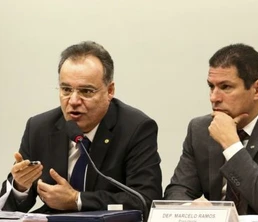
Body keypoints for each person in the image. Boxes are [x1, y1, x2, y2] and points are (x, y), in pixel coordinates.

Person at [0, 41, 162, 220]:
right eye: (66, 89)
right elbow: (8, 208)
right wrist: (20, 186)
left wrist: (77, 199)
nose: (74, 100)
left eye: (86, 91)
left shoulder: (135, 128)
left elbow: (146, 200)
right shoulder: (39, 128)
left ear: (109, 91)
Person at [164, 43, 258, 215]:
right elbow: (177, 191)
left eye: (225, 87)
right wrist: (189, 209)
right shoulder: (200, 129)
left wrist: (231, 145)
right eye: (211, 86)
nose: (214, 97)